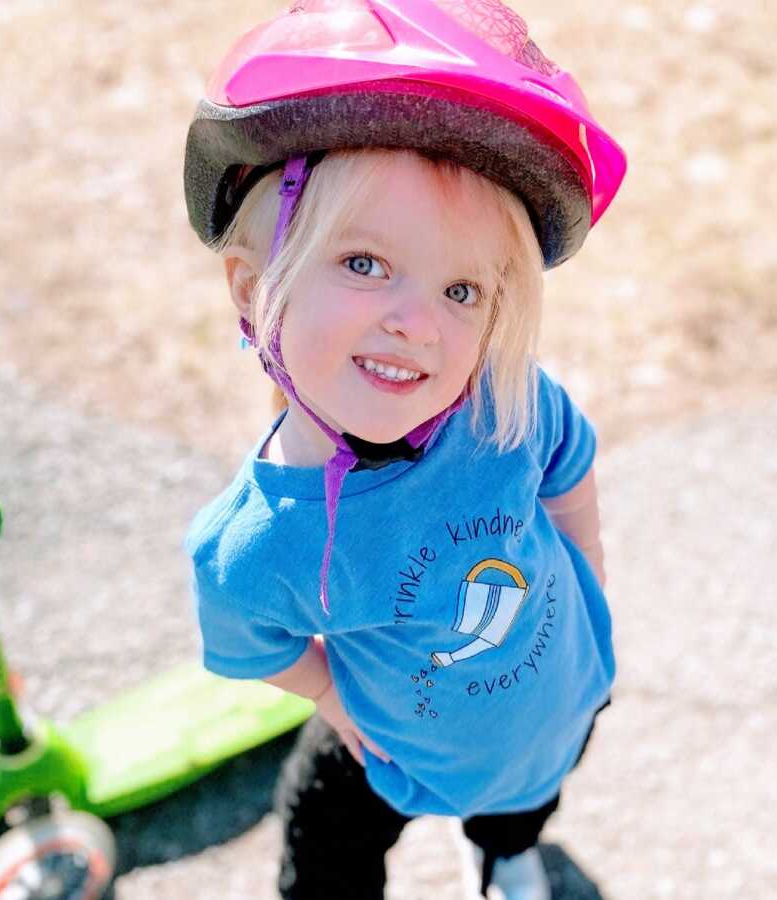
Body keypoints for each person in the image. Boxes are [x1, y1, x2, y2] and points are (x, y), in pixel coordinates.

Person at [182, 2, 626, 898]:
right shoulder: (260, 545)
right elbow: (256, 641)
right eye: (365, 264)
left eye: (461, 288)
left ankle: (504, 846)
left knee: (525, 799)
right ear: (253, 283)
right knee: (328, 834)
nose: (418, 322)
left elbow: (566, 461)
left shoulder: (501, 404)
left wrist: (588, 567)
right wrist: (336, 702)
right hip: (396, 739)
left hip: (556, 696)